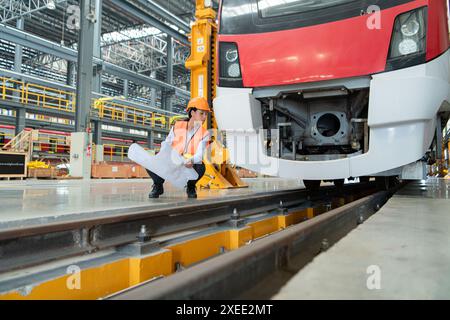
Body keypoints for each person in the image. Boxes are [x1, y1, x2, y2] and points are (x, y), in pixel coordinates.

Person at [147, 97, 211, 199]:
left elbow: (200, 154)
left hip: (188, 165)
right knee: (151, 160)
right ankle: (158, 186)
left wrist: (191, 160)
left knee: (201, 166)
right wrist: (162, 155)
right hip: (173, 160)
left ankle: (190, 186)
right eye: (202, 113)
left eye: (206, 114)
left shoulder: (205, 133)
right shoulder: (177, 126)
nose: (204, 117)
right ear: (192, 113)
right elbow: (167, 143)